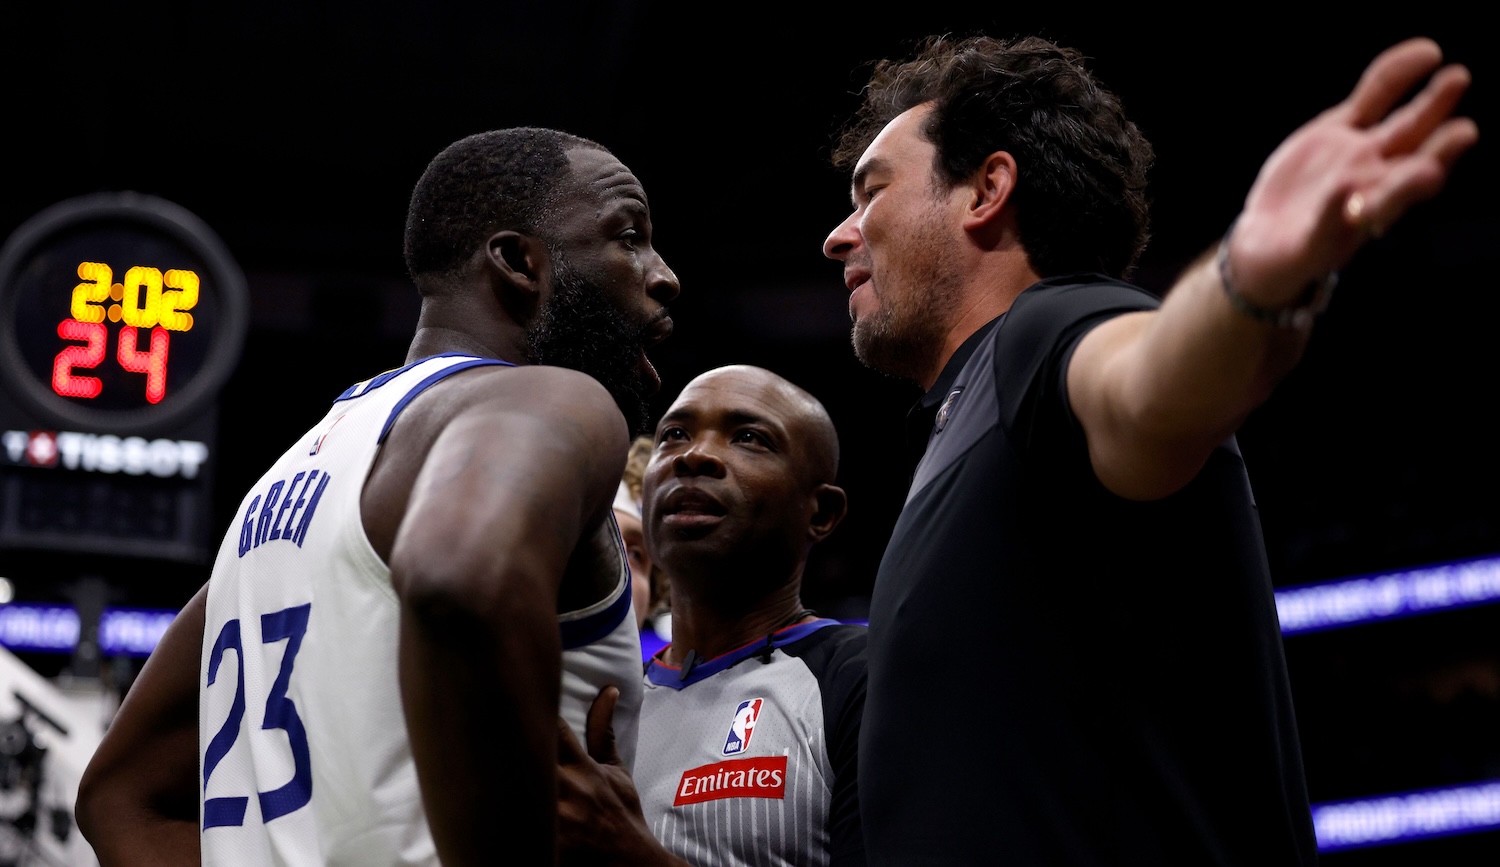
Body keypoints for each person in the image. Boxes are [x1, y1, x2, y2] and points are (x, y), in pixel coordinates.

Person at [820, 34, 1477, 865]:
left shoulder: (1045, 330)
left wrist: (1250, 278)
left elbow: (1149, 388)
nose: (838, 236)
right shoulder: (966, 418)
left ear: (987, 189)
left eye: (869, 193)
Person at [73, 125, 681, 866]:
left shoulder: (284, 481)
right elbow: (462, 578)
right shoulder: (558, 401)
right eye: (631, 237)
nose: (664, 274)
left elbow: (118, 796)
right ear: (523, 263)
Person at [557, 364, 868, 866]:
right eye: (674, 435)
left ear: (821, 513)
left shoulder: (868, 680)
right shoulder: (603, 705)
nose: (695, 455)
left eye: (748, 438)